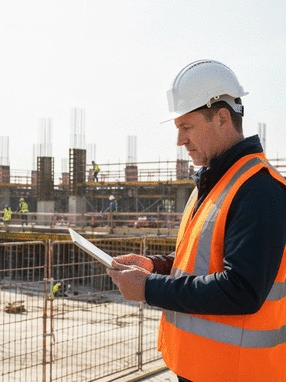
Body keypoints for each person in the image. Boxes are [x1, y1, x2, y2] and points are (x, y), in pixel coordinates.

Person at [106, 59, 286, 382]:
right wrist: (155, 267)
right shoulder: (214, 182)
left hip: (239, 374)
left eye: (186, 128)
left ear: (221, 119)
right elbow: (202, 260)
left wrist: (148, 287)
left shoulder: (260, 189)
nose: (180, 141)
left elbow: (241, 289)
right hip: (202, 369)